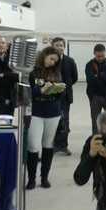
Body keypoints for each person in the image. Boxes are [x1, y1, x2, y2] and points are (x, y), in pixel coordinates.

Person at [26, 46, 66, 189]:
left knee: (48, 145)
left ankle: (44, 178)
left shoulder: (57, 72)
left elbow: (61, 94)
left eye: (56, 61)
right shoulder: (33, 71)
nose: (53, 62)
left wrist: (58, 89)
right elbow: (28, 91)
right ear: (44, 56)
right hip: (36, 113)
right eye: (51, 59)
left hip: (53, 113)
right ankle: (31, 179)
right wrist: (40, 90)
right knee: (33, 146)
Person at [53, 37, 78, 156]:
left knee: (65, 121)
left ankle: (63, 146)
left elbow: (75, 77)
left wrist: (64, 87)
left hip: (65, 97)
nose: (59, 47)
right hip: (51, 96)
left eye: (61, 45)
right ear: (52, 47)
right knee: (53, 121)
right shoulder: (49, 60)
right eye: (57, 45)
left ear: (64, 47)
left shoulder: (70, 61)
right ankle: (53, 146)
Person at [86, 43, 106, 134]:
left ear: (105, 53)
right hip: (95, 97)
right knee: (96, 122)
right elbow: (91, 81)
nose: (100, 58)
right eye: (98, 56)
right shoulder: (89, 65)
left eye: (102, 56)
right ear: (94, 53)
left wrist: (99, 75)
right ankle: (97, 143)